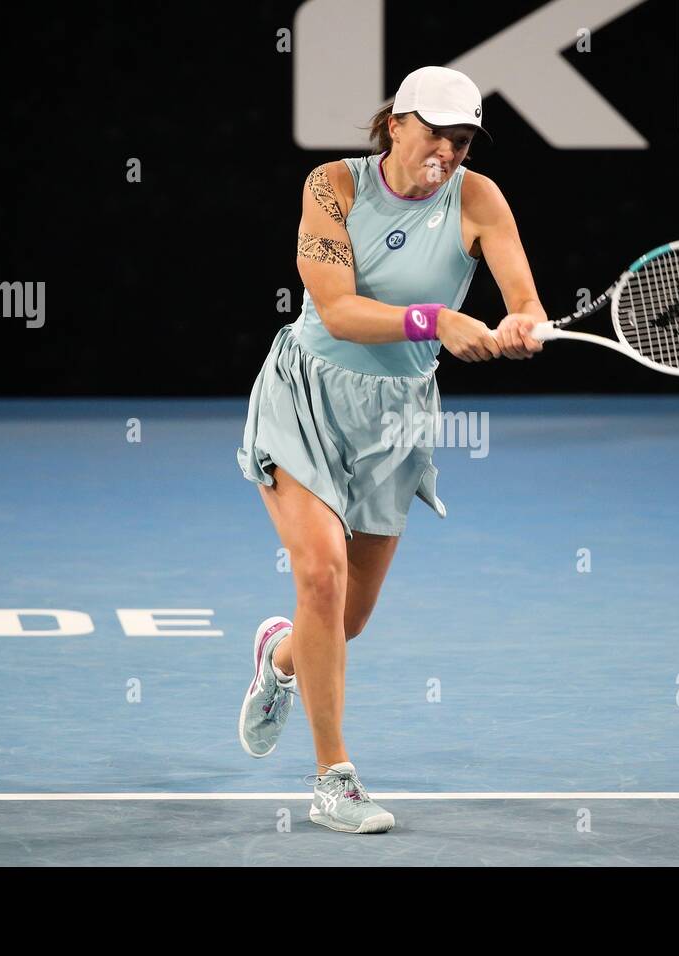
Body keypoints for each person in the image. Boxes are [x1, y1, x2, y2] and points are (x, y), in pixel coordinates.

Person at [236, 66, 544, 833]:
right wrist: (437, 320)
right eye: (434, 132)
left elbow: (524, 299)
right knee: (322, 575)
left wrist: (522, 326)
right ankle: (332, 781)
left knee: (348, 621)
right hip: (306, 392)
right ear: (395, 123)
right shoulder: (332, 186)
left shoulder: (480, 198)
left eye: (462, 138)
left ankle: (280, 660)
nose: (446, 150)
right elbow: (337, 311)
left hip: (397, 421)